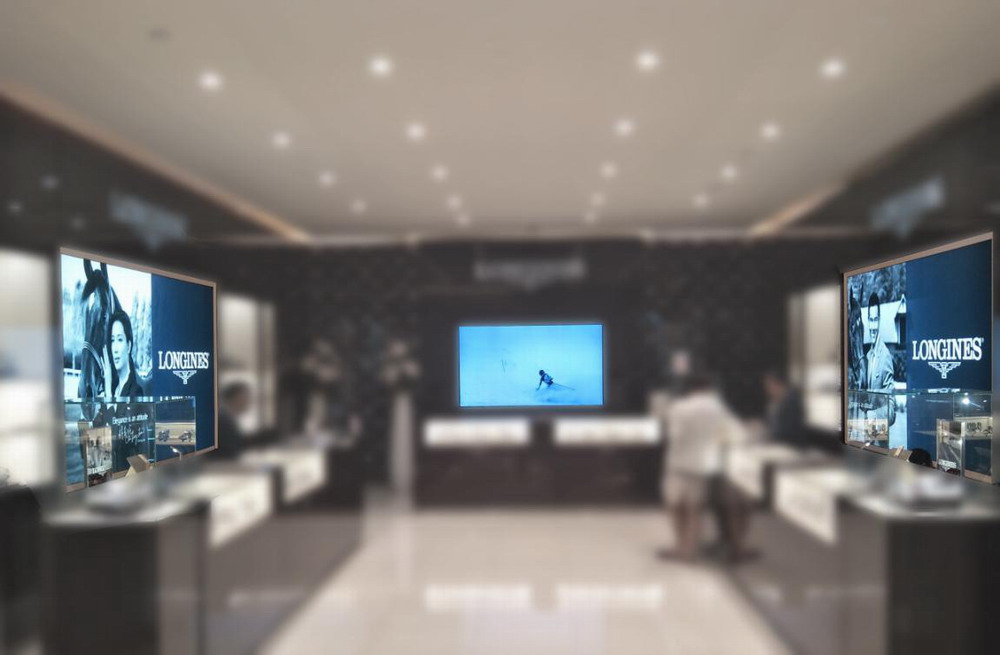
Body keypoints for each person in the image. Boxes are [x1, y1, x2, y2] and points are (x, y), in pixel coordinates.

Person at [660, 373, 743, 562]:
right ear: (708, 387)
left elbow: (673, 436)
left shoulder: (678, 407)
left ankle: (679, 546)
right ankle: (690, 551)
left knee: (675, 507)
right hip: (703, 465)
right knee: (695, 509)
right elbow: (735, 434)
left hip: (678, 463)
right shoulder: (718, 407)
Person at [864, 292, 896, 428]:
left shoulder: (885, 356)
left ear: (880, 320)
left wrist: (874, 415)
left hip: (878, 436)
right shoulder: (867, 355)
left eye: (875, 320)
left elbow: (892, 409)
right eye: (870, 320)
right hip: (865, 433)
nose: (872, 327)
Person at [106, 310, 144, 399]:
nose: (115, 349)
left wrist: (108, 393)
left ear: (129, 346)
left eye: (120, 340)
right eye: (112, 340)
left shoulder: (136, 391)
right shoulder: (113, 389)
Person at [763, 370, 805, 447]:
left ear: (778, 384)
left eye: (769, 386)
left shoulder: (792, 400)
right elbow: (771, 423)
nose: (767, 390)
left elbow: (787, 430)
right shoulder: (775, 400)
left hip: (791, 445)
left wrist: (769, 437)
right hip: (779, 443)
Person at [216, 381, 251, 460]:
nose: (248, 402)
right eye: (244, 398)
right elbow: (227, 452)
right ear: (233, 399)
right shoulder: (222, 421)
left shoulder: (228, 418)